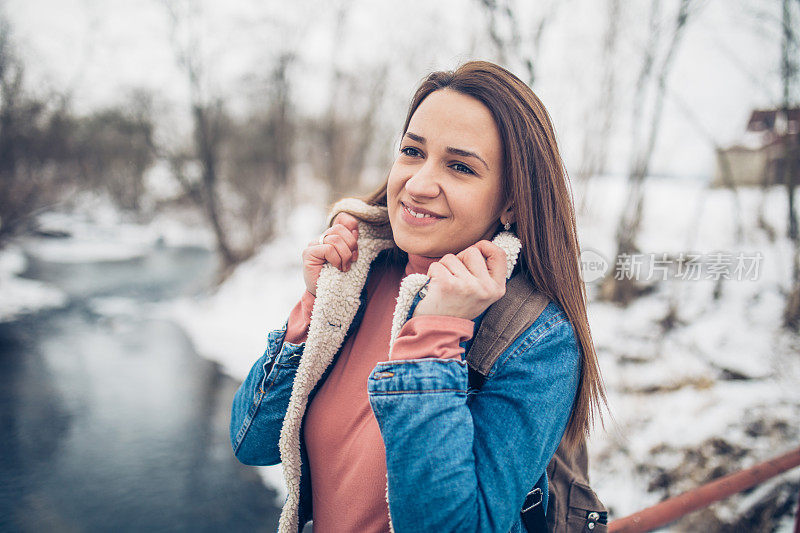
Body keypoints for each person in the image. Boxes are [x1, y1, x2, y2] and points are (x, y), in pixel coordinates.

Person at [230, 60, 605, 533]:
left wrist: (437, 334)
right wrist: (313, 307)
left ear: (511, 200)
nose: (419, 184)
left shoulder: (538, 340)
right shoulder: (359, 276)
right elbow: (252, 441)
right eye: (412, 151)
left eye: (461, 166)